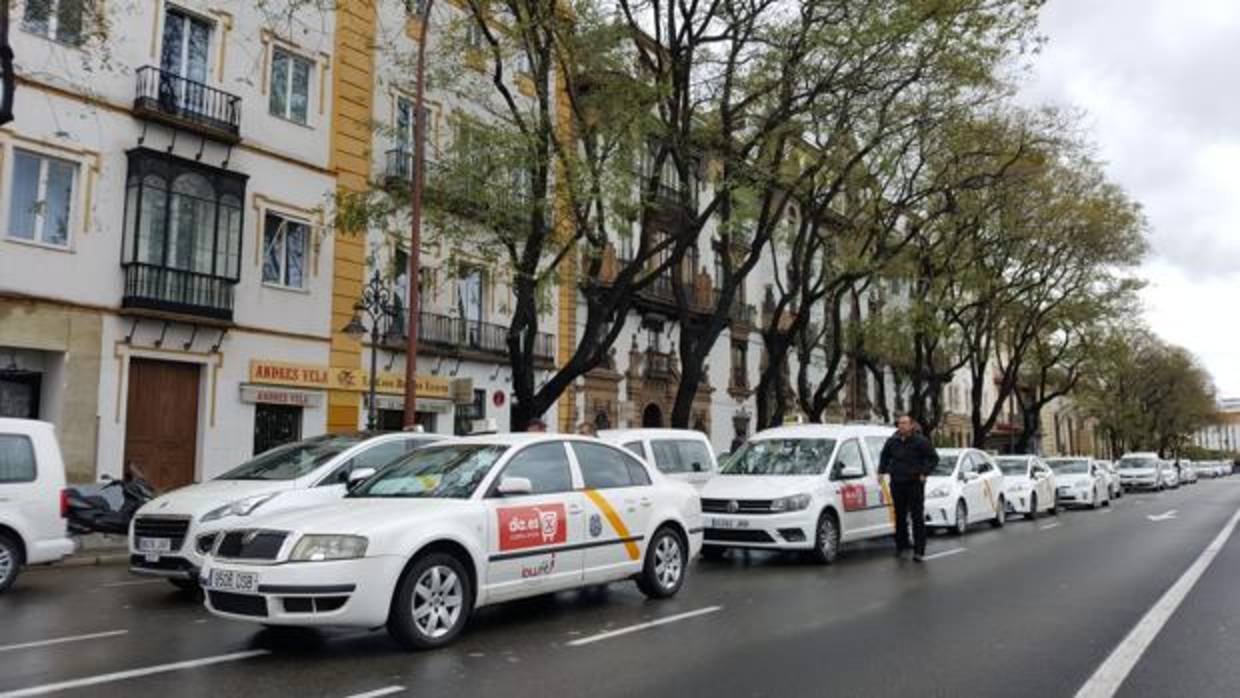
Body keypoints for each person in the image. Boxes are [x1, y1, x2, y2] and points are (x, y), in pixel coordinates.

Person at [878, 414, 939, 562]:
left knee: (917, 517)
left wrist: (924, 472)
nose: (902, 426)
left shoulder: (921, 441)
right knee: (899, 516)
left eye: (905, 423)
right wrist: (881, 471)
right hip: (897, 482)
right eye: (900, 423)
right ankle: (901, 546)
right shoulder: (892, 441)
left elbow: (933, 458)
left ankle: (919, 550)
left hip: (914, 483)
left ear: (911, 425)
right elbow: (884, 456)